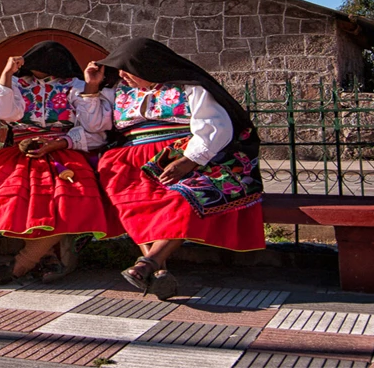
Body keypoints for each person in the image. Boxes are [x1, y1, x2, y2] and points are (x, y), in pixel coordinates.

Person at [93, 38, 264, 300]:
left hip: (183, 155)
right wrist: (92, 87)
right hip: (130, 160)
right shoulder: (118, 92)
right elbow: (96, 126)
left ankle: (147, 263)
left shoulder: (189, 88)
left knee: (181, 199)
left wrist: (189, 160)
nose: (122, 75)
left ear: (147, 67)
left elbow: (215, 126)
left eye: (127, 69)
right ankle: (155, 267)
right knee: (131, 201)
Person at [0, 41, 121, 284]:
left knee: (67, 203)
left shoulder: (76, 86)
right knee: (20, 203)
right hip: (22, 152)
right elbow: (0, 112)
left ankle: (22, 262)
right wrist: (6, 75)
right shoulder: (17, 85)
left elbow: (95, 128)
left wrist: (91, 88)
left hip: (65, 151)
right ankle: (48, 257)